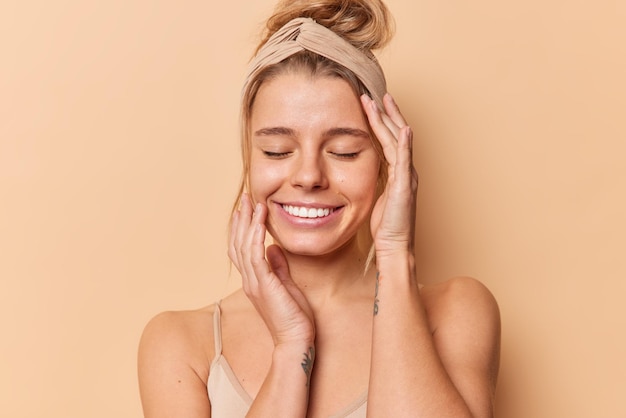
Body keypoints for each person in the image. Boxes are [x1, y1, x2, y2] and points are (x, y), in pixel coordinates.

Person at [138, 0, 501, 416]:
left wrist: (395, 252)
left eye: (344, 152)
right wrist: (292, 345)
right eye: (277, 150)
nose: (309, 176)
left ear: (385, 162)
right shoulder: (181, 343)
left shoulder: (458, 311)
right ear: (249, 158)